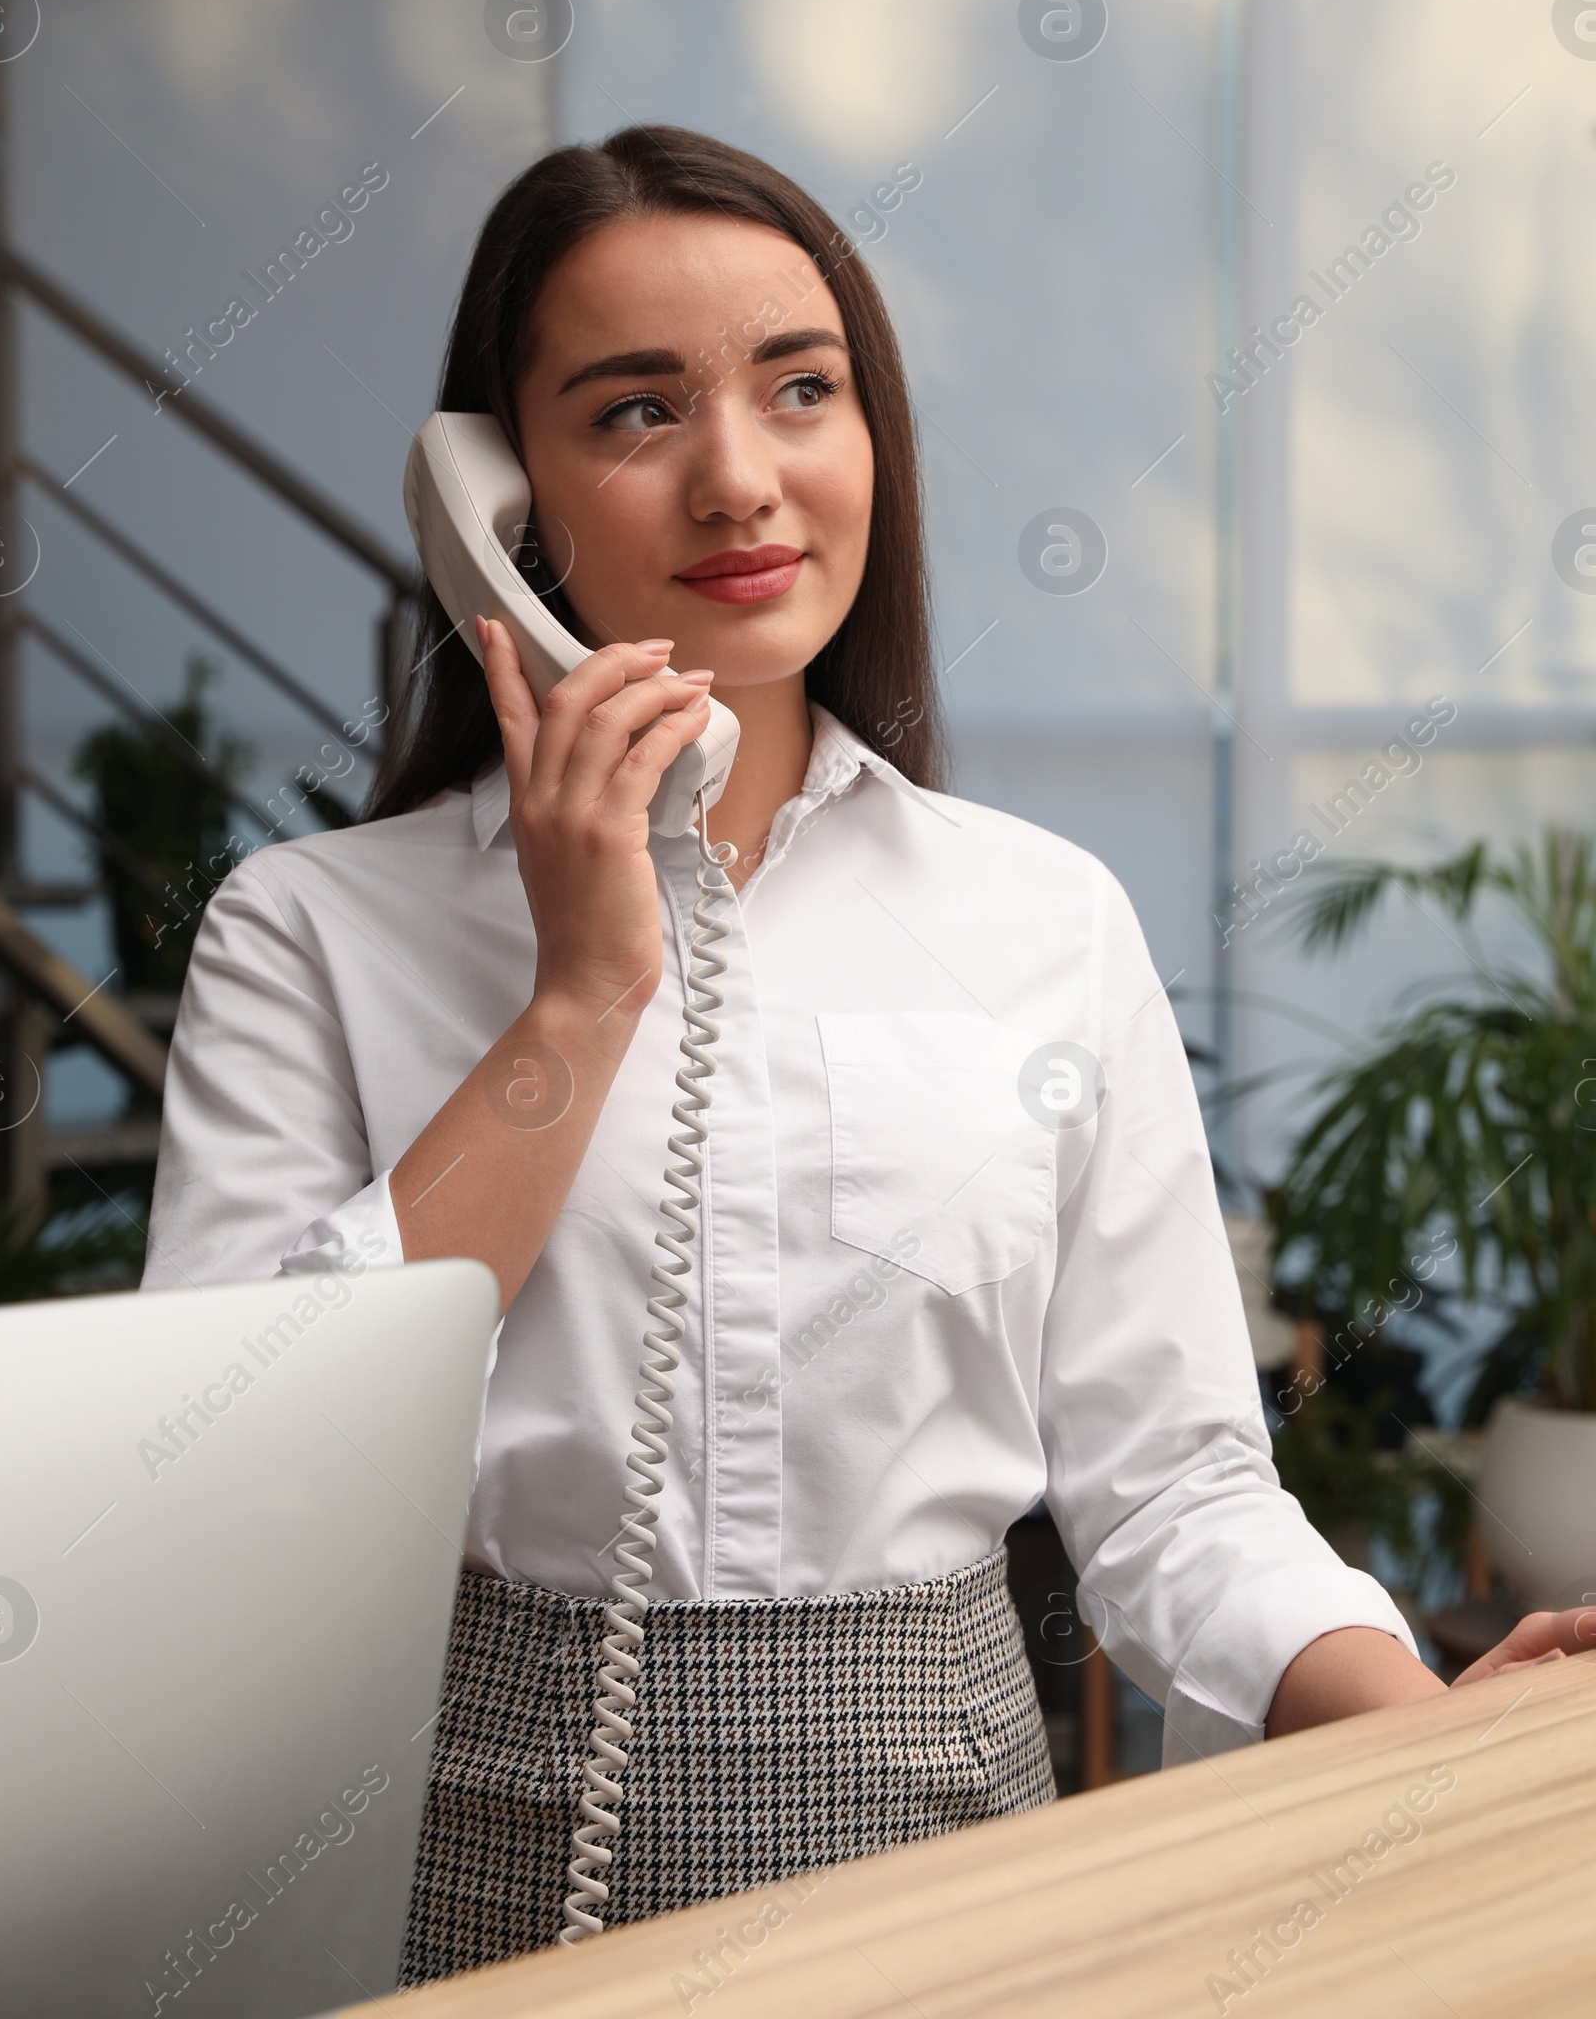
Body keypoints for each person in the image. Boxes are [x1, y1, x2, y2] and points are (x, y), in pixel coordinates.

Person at [142, 124, 1593, 1985]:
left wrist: (1425, 1740)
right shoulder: (308, 931)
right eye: (636, 412)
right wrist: (579, 995)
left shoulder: (1039, 917)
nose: (741, 480)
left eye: (800, 389)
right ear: (497, 501)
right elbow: (245, 1473)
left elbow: (1169, 1487)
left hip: (958, 1877)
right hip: (475, 1877)